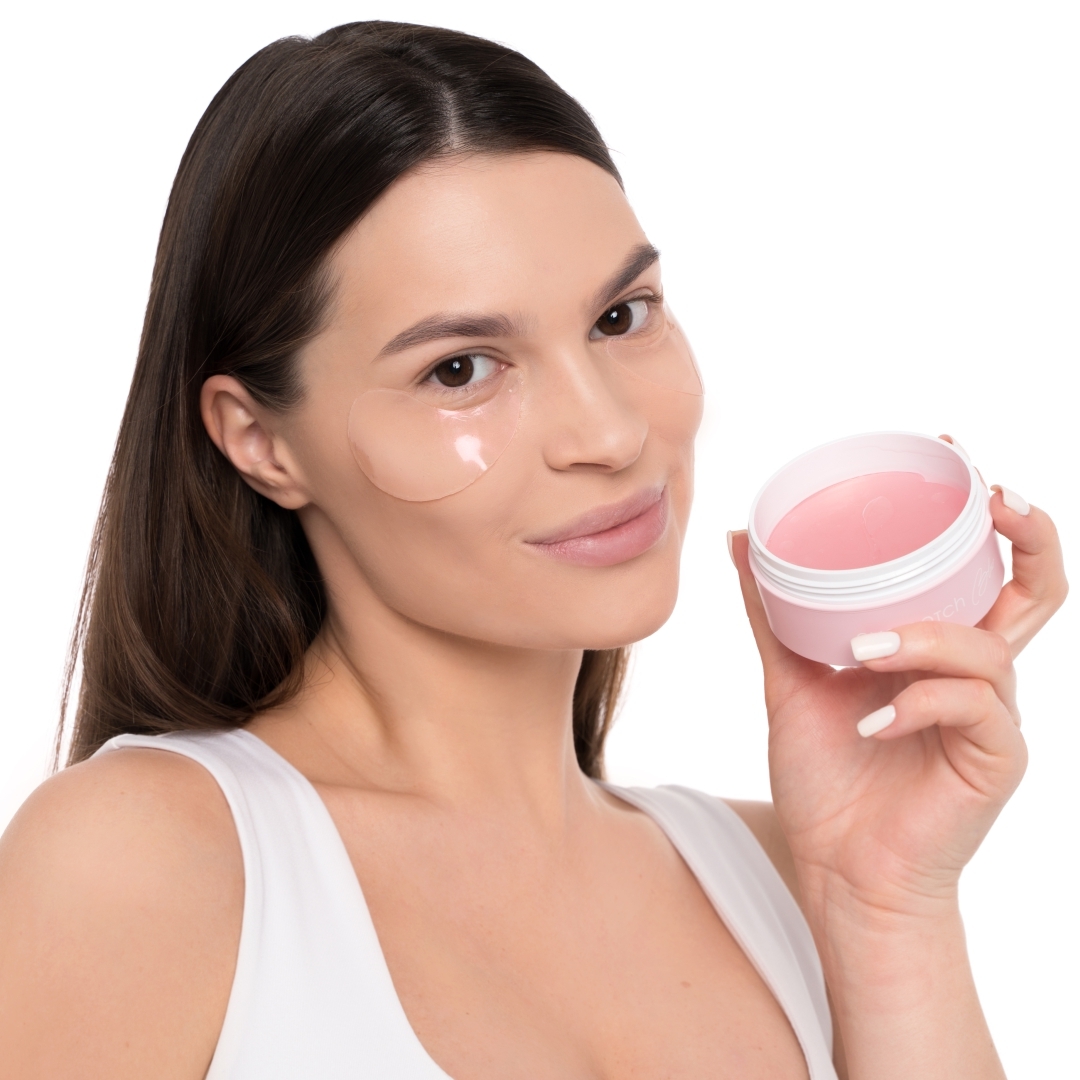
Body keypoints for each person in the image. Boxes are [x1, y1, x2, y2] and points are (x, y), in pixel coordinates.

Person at [0, 21, 1066, 1080]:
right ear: (260, 441)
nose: (611, 433)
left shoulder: (795, 875)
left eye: (621, 317)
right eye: (460, 369)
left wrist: (889, 910)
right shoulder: (142, 869)